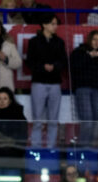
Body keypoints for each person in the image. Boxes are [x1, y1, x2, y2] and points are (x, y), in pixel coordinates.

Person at [26, 14, 67, 148]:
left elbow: (63, 62)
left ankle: (51, 148)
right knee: (37, 119)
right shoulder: (34, 42)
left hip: (55, 83)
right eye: (52, 23)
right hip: (39, 82)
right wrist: (43, 67)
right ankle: (36, 147)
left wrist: (54, 67)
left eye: (56, 24)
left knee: (53, 120)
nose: (55, 26)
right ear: (44, 24)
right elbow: (30, 62)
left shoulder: (60, 42)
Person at [69, 30, 98, 146]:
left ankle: (89, 147)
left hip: (97, 90)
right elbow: (74, 67)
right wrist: (89, 57)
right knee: (87, 120)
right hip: (83, 89)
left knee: (95, 120)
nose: (97, 42)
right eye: (94, 39)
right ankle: (83, 148)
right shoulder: (79, 52)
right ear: (89, 40)